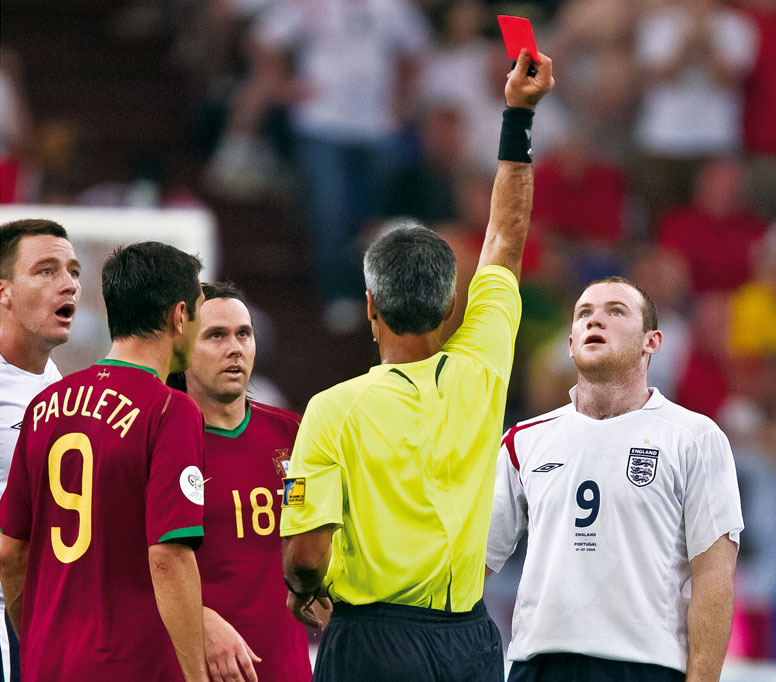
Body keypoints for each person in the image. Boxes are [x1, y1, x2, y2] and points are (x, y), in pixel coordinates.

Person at [278, 50, 554, 681]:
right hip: (469, 640)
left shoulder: (332, 410)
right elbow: (506, 236)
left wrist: (303, 589)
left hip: (371, 641)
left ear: (370, 305)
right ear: (453, 302)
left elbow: (306, 557)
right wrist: (517, 115)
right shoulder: (481, 371)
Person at [487, 275, 744, 682]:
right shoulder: (524, 440)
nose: (595, 321)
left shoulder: (695, 437)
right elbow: (475, 563)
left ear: (651, 342)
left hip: (645, 666)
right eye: (584, 314)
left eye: (616, 312)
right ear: (570, 344)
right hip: (539, 665)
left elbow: (713, 576)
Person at [0, 241, 208, 682]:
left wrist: (35, 642)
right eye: (200, 311)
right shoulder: (170, 410)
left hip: (48, 664)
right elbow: (168, 557)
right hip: (129, 666)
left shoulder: (43, 407)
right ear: (178, 315)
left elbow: (8, 551)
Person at [170, 282, 311, 682]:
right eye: (216, 335)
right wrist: (196, 619)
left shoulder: (293, 434)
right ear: (183, 348)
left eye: (243, 334)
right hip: (194, 667)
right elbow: (127, 567)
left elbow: (308, 531)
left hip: (287, 668)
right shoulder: (160, 441)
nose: (235, 348)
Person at [0, 218, 80, 682]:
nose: (68, 283)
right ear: (4, 292)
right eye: (46, 270)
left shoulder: (58, 388)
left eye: (73, 270)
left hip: (39, 614)